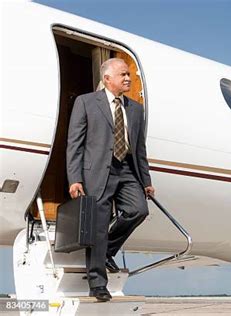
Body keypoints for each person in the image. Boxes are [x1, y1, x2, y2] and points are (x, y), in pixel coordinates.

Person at [66, 58, 155, 301]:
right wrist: (75, 178)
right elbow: (75, 143)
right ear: (107, 79)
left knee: (138, 210)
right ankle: (97, 284)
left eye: (129, 75)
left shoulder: (136, 109)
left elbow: (139, 149)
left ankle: (106, 250)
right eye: (123, 75)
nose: (128, 79)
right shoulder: (86, 102)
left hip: (127, 170)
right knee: (97, 226)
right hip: (96, 172)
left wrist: (146, 180)